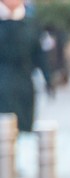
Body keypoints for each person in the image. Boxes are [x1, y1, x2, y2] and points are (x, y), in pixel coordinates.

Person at [0, 0, 50, 135]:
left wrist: (48, 78)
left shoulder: (31, 22)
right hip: (2, 83)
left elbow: (39, 54)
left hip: (24, 85)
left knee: (23, 129)